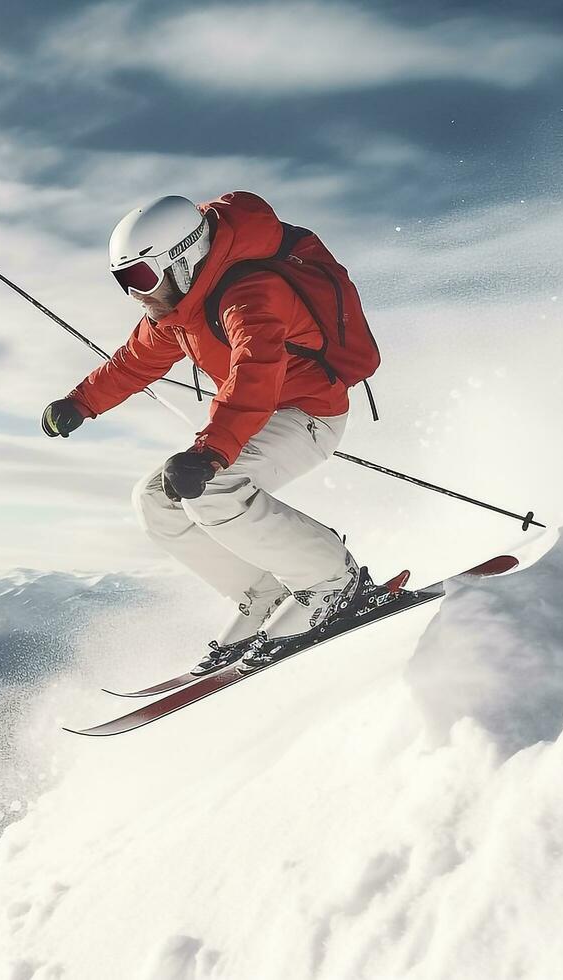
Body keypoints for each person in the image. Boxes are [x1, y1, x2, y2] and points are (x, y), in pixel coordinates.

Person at [41, 191, 366, 673]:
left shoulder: (251, 293)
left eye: (141, 277)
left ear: (184, 257)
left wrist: (211, 451)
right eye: (122, 281)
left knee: (211, 489)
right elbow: (134, 364)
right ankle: (264, 593)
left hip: (308, 413)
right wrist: (80, 403)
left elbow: (255, 371)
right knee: (155, 499)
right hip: (255, 418)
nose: (136, 293)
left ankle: (330, 580)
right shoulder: (176, 310)